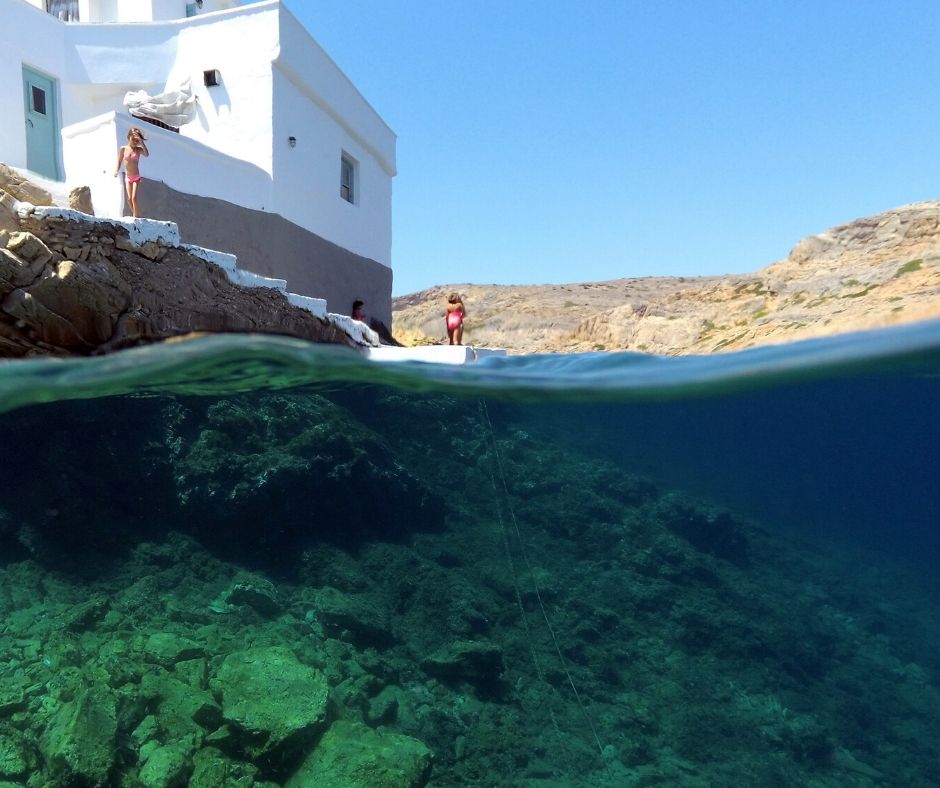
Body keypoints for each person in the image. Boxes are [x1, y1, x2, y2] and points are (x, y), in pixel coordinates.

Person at [114, 127, 149, 218]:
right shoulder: (123, 149)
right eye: (133, 139)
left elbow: (146, 154)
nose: (134, 142)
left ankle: (135, 217)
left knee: (134, 198)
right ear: (128, 137)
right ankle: (136, 214)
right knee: (129, 199)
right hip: (128, 177)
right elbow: (119, 161)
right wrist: (116, 171)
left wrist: (141, 142)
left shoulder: (138, 150)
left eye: (136, 141)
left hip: (136, 176)